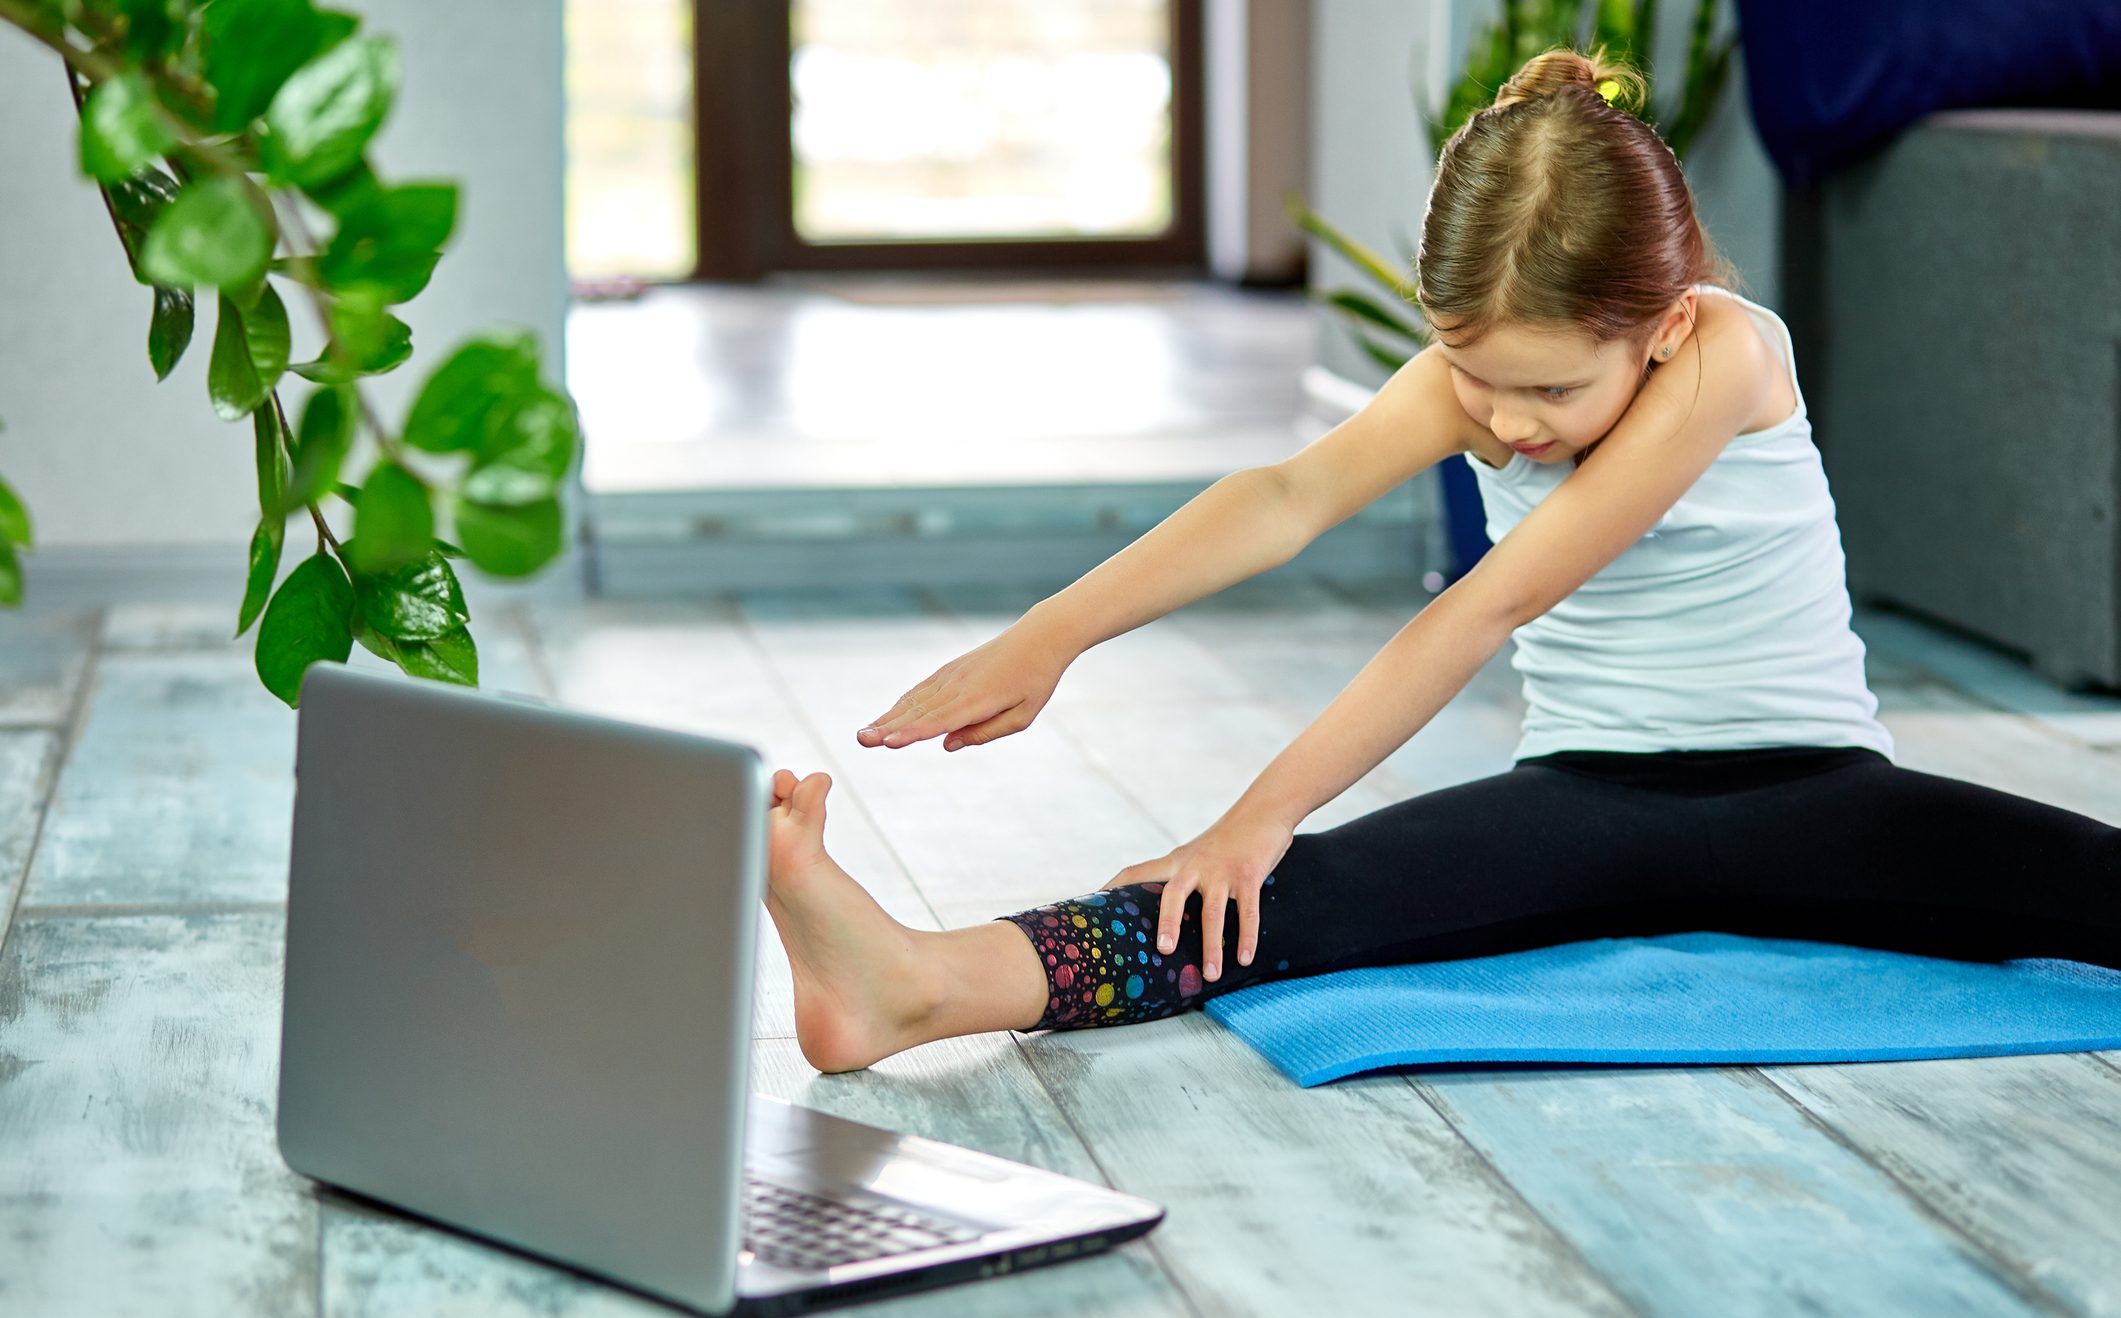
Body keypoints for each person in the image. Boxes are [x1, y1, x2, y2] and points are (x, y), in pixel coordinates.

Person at [762, 45, 2120, 1075]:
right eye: (1473, 375)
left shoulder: (1724, 356)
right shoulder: (1479, 379)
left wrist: (1256, 804)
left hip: (1822, 798)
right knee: (1252, 907)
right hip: (1587, 802)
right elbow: (1283, 495)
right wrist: (1052, 631)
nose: (1506, 422)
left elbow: (1491, 604)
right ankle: (912, 984)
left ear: (1653, 328)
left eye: (1548, 392)